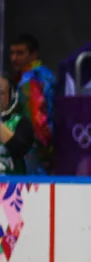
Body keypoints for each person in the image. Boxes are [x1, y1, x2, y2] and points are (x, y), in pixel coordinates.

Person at [9, 34, 56, 174]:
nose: (14, 58)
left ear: (34, 55)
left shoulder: (31, 80)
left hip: (33, 146)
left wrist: (43, 149)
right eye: (12, 53)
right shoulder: (41, 74)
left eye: (20, 53)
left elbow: (37, 122)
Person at [0, 74, 34, 175]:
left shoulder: (21, 122)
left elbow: (19, 149)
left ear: (11, 96)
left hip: (13, 185)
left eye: (0, 93)